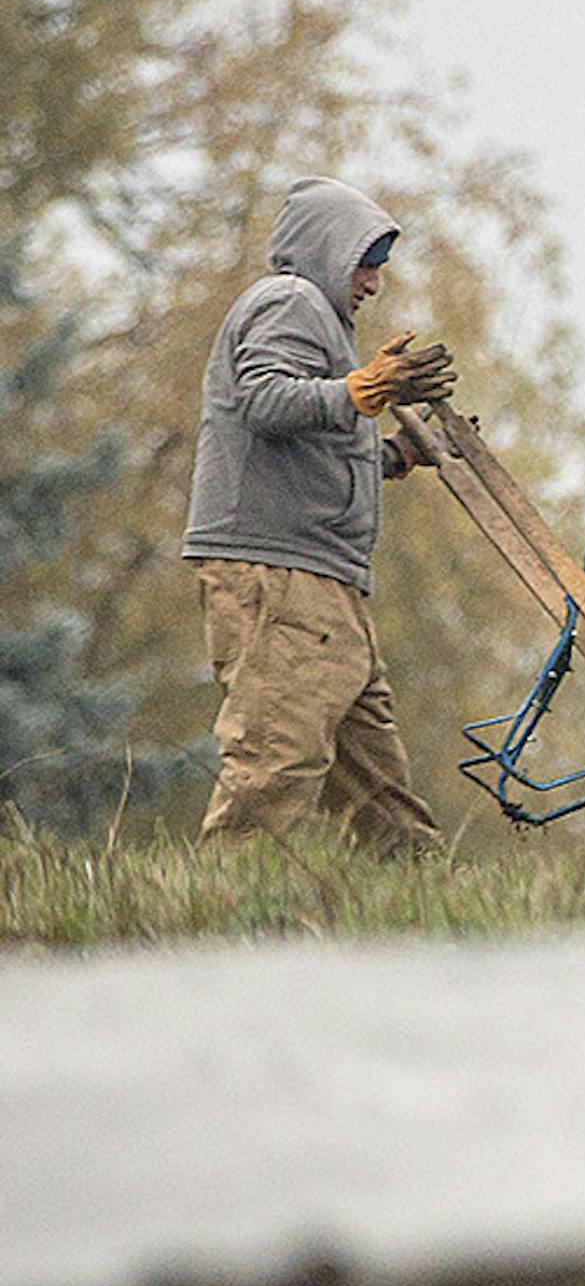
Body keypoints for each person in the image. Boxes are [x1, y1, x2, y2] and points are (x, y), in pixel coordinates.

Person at [182, 175, 457, 853]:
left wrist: (393, 455)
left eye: (381, 266)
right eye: (366, 262)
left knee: (376, 786)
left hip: (322, 584)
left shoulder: (320, 324)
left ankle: (425, 924)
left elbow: (317, 439)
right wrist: (362, 388)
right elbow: (267, 403)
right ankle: (213, 928)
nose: (374, 282)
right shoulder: (289, 300)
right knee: (277, 758)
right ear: (326, 250)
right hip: (281, 575)